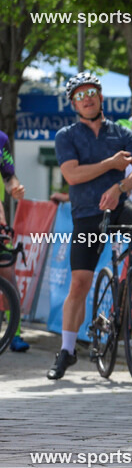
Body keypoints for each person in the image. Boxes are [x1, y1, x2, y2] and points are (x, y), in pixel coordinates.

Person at [49, 73, 132, 379]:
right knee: (79, 284)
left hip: (119, 206)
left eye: (92, 92)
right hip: (86, 214)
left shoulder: (121, 133)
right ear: (74, 104)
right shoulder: (66, 136)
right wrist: (109, 164)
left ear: (101, 96)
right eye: (80, 96)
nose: (88, 98)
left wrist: (119, 187)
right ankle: (67, 351)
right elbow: (72, 176)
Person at [0, 130, 27, 351]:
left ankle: (15, 333)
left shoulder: (1, 140)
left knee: (7, 273)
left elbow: (8, 176)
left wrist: (14, 189)